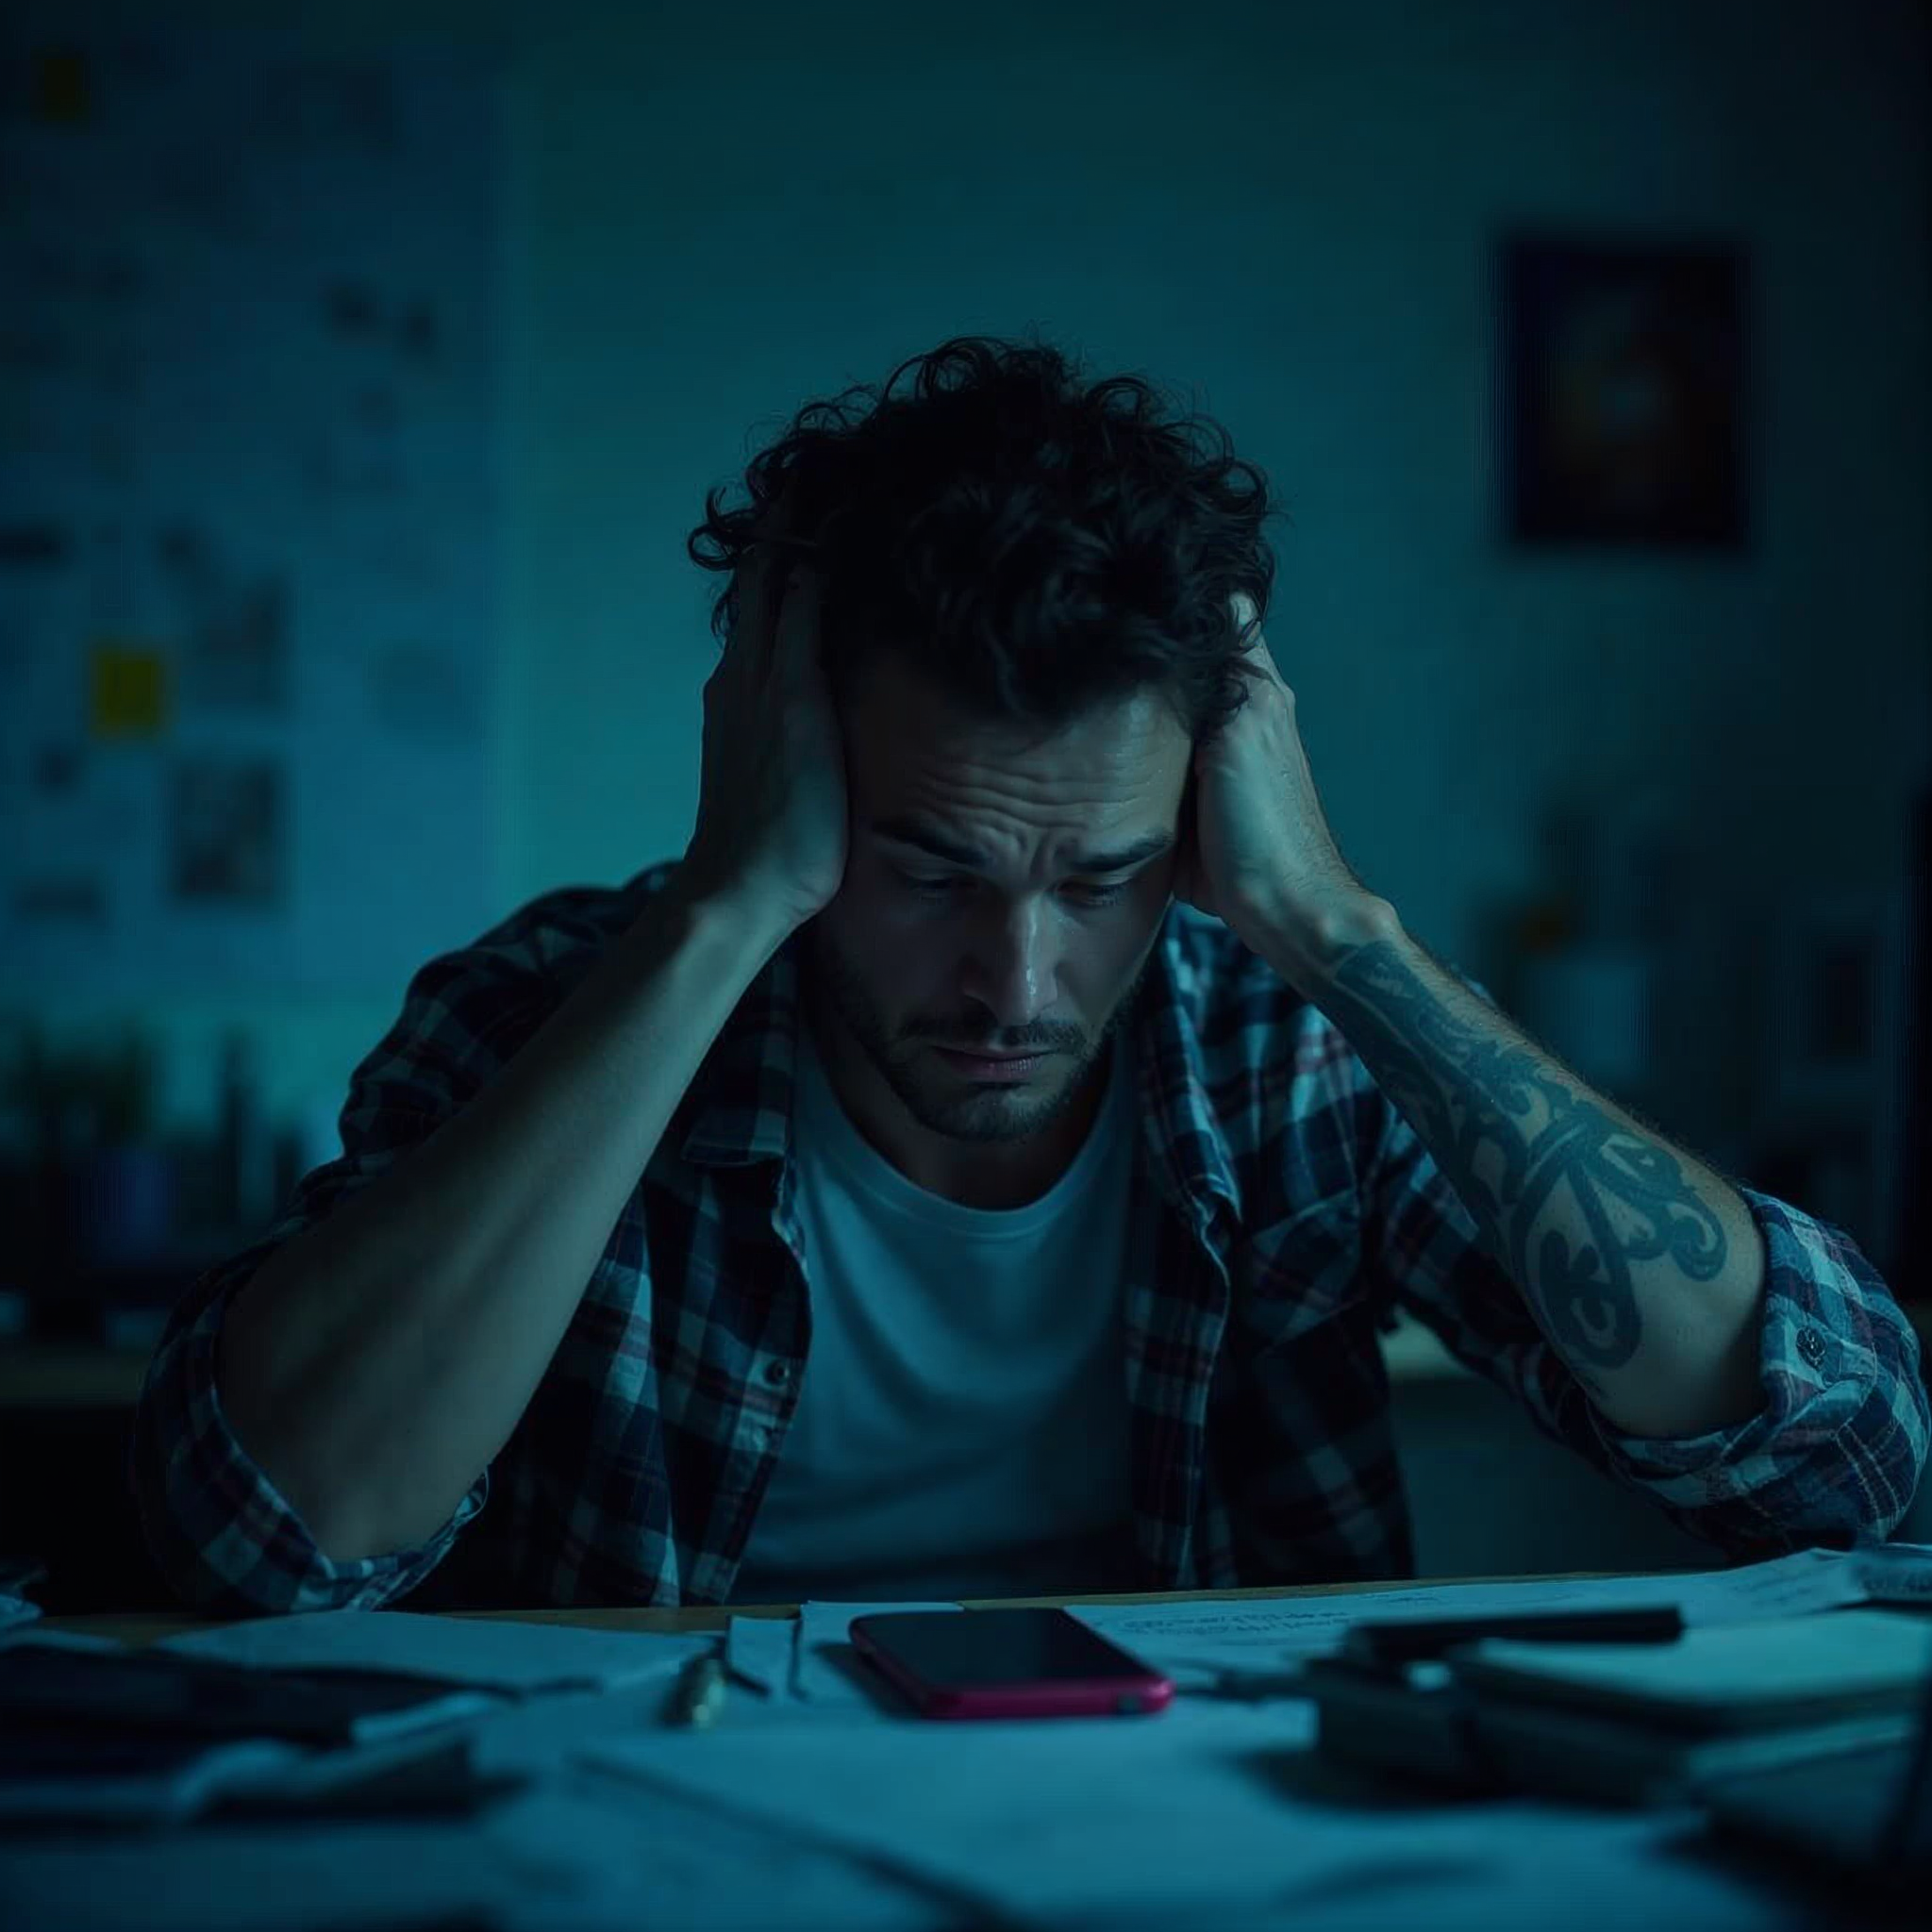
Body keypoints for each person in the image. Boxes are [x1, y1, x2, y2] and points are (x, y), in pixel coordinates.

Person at [134, 336, 1927, 1612]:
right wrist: (712, 910)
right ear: (797, 774)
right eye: (929, 868)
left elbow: (1843, 1463)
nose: (1017, 979)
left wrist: (1339, 929)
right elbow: (259, 1543)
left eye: (1105, 877)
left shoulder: (1282, 1059)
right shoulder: (541, 1017)